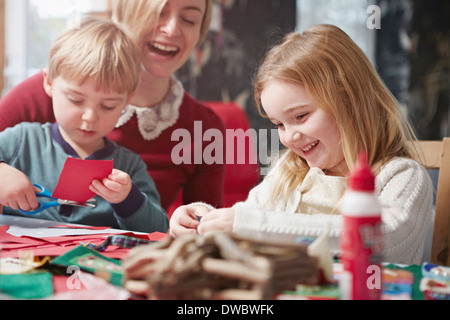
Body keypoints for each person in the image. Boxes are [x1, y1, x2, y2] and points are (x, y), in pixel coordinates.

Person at [168, 24, 433, 265]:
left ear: (351, 101)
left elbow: (383, 239)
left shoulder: (402, 176)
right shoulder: (289, 171)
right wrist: (203, 220)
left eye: (301, 116)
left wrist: (249, 224)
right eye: (279, 124)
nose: (289, 137)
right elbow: (247, 216)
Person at [0, 0, 226, 213]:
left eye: (189, 20)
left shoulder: (205, 128)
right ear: (125, 12)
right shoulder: (50, 92)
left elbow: (206, 231)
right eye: (158, 12)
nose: (172, 29)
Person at [0, 17, 168, 233]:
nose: (90, 117)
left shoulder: (129, 167)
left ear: (127, 101)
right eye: (76, 100)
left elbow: (160, 230)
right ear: (49, 82)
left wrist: (128, 199)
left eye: (108, 106)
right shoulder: (21, 142)